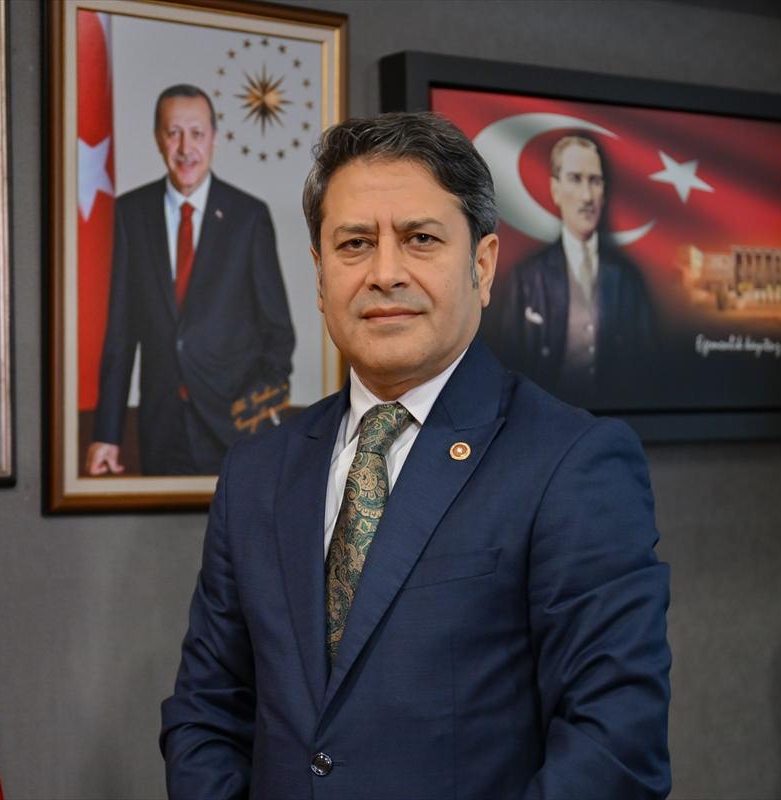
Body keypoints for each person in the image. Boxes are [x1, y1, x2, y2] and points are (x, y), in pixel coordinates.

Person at [160, 113, 671, 798]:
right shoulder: (256, 472)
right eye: (355, 244)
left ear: (482, 266)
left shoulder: (571, 464)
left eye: (420, 239)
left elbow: (615, 746)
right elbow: (206, 714)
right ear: (319, 276)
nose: (384, 273)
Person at [87, 84, 295, 476]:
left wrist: (255, 416)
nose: (186, 148)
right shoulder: (130, 214)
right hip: (160, 428)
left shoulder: (249, 217)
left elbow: (279, 334)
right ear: (158, 139)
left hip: (237, 431)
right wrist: (107, 434)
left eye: (197, 133)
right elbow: (120, 334)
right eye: (174, 133)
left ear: (214, 138)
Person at [493, 135, 656, 406]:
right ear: (555, 189)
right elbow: (507, 369)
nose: (587, 196)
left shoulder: (628, 280)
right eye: (575, 179)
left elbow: (647, 372)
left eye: (595, 181)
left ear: (604, 191)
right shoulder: (527, 279)